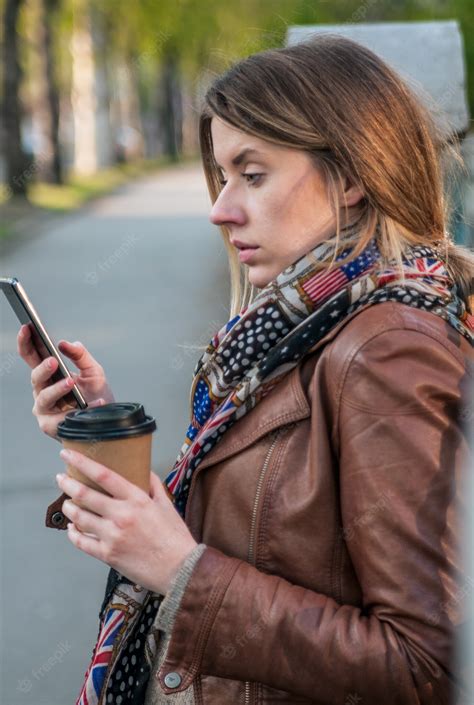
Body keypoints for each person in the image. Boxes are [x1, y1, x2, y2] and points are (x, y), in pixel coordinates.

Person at [18, 34, 473, 705]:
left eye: (252, 176)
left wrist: (182, 573)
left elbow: (426, 664)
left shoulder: (386, 349)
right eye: (224, 175)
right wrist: (99, 426)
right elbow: (262, 522)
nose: (220, 208)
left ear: (351, 177)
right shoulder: (293, 327)